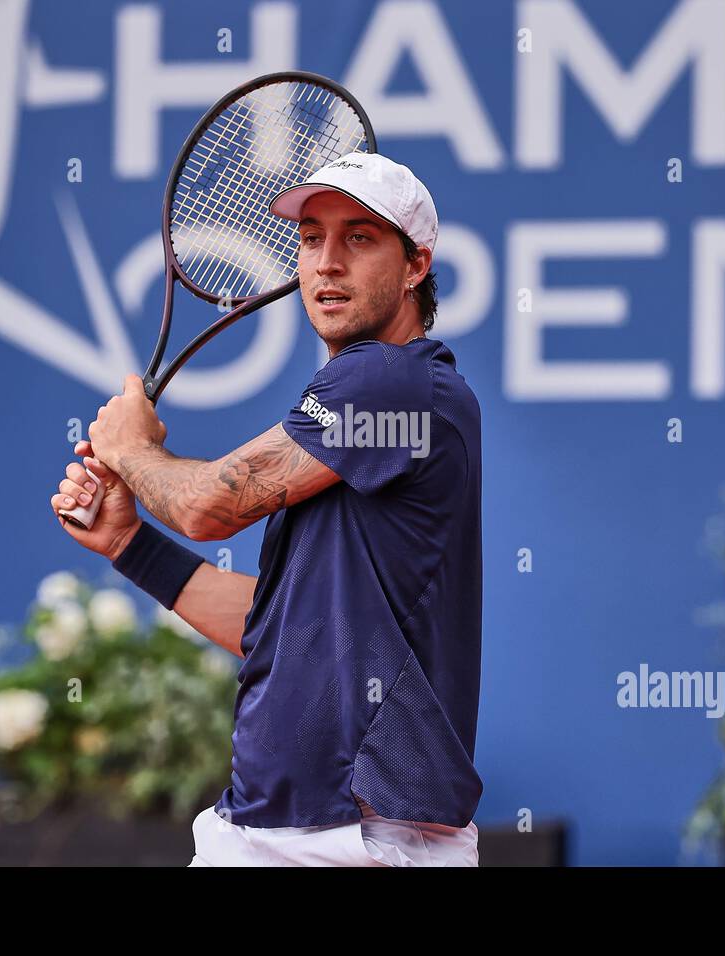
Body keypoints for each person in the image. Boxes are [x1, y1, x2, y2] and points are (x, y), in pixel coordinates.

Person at [50, 153, 483, 866]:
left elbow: (211, 507)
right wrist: (132, 544)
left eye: (360, 238)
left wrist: (129, 450)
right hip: (274, 829)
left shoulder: (392, 382)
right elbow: (278, 631)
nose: (327, 263)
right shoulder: (374, 405)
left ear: (416, 266)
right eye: (312, 238)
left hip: (357, 838)